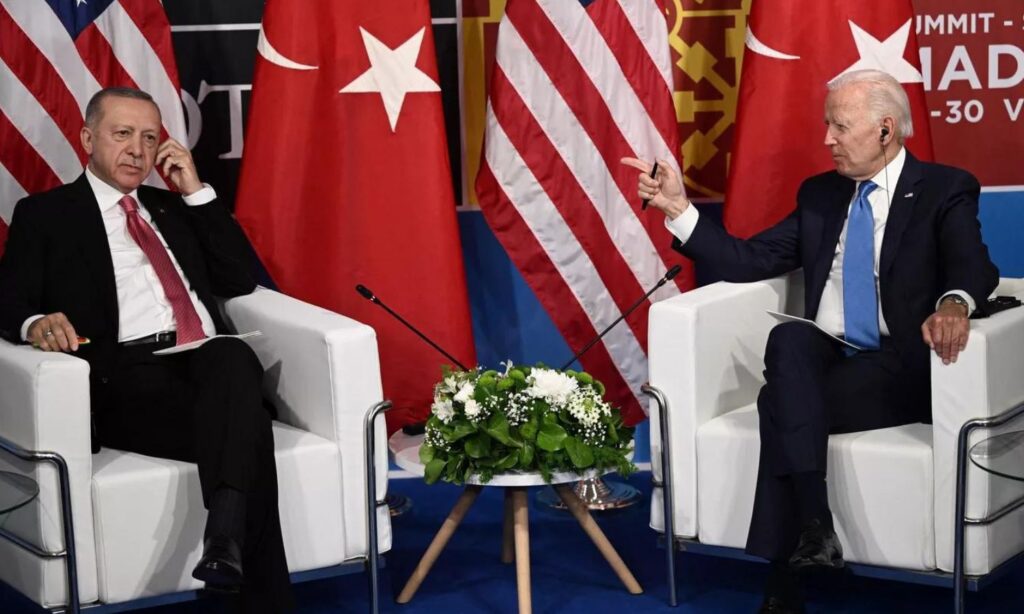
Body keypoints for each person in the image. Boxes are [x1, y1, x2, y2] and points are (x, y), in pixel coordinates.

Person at [624, 69, 998, 614]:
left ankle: (785, 574)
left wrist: (953, 302)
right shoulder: (821, 196)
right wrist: (679, 210)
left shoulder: (944, 188)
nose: (827, 139)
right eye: (828, 125)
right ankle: (816, 528)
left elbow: (975, 265)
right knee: (788, 342)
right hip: (828, 357)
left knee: (780, 404)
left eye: (840, 127)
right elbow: (748, 260)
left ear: (886, 130)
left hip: (900, 367)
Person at [0, 87, 293, 612]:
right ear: (88, 138)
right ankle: (246, 572)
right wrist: (34, 321)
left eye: (150, 137)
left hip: (207, 367)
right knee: (246, 431)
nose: (138, 149)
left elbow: (240, 280)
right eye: (122, 134)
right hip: (126, 379)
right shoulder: (46, 214)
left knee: (230, 355)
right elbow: (8, 299)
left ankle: (224, 540)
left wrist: (197, 191)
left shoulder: (175, 207)